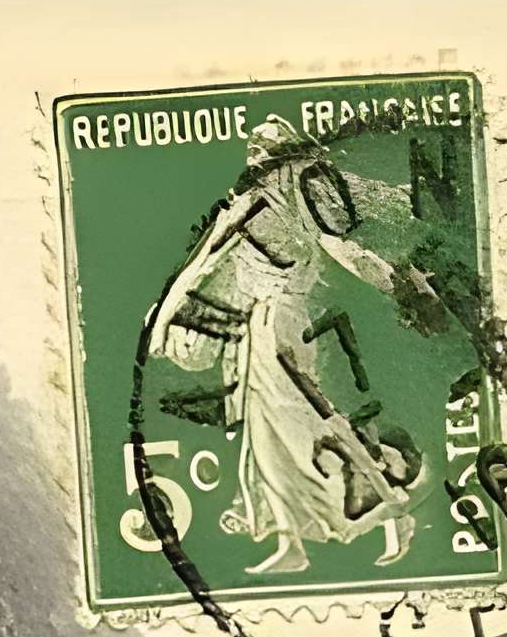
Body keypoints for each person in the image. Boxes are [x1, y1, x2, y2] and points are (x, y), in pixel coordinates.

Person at [147, 115, 451, 575]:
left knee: (309, 420)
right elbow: (214, 264)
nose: (255, 156)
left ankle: (394, 503)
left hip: (283, 323)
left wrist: (401, 288)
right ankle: (292, 540)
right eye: (255, 148)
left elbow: (342, 248)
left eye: (263, 147)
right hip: (256, 328)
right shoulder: (255, 198)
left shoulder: (296, 188)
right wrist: (171, 318)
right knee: (265, 435)